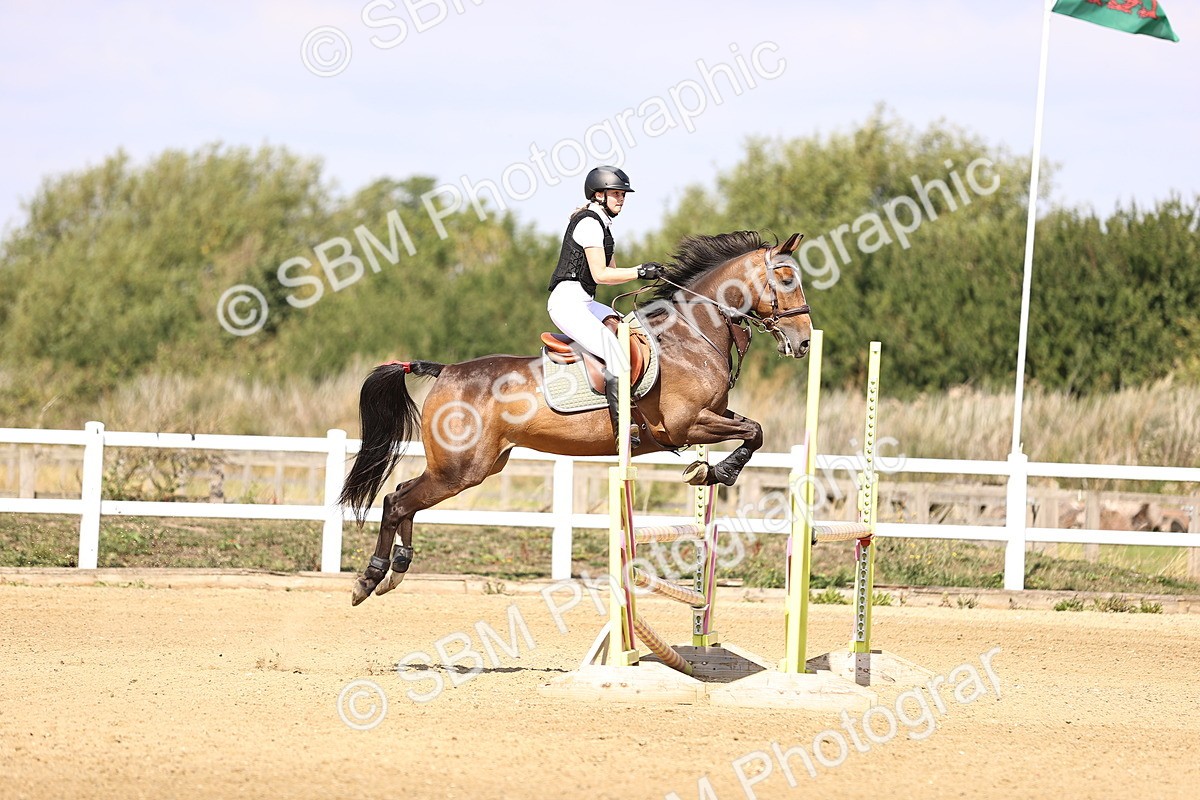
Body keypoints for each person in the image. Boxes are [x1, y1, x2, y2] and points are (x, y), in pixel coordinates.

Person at [547, 165, 664, 448]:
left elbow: (610, 274)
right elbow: (601, 275)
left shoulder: (602, 225)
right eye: (615, 193)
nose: (621, 199)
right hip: (567, 303)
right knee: (615, 354)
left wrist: (649, 272)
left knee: (630, 328)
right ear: (598, 195)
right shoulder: (588, 223)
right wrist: (639, 271)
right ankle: (622, 429)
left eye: (623, 194)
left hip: (584, 301)